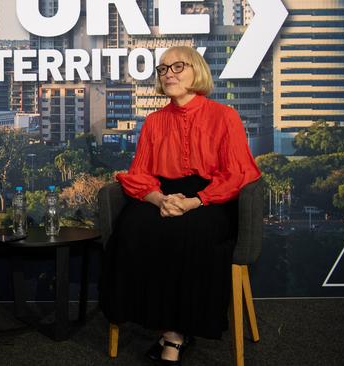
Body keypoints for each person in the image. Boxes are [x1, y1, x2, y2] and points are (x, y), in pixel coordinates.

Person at [99, 46, 261, 365]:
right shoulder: (154, 121)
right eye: (162, 69)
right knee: (133, 227)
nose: (168, 74)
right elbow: (140, 174)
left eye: (177, 67)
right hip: (164, 192)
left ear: (196, 70)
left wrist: (194, 202)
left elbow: (238, 173)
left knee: (191, 231)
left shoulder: (224, 115)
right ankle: (156, 321)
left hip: (211, 196)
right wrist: (160, 199)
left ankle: (176, 334)